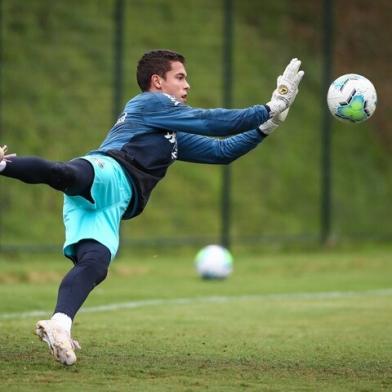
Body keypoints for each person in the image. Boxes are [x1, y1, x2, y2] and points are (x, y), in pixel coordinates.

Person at [0, 49, 304, 365]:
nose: (187, 85)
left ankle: (59, 326)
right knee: (64, 173)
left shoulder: (171, 133)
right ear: (157, 81)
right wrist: (269, 107)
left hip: (112, 205)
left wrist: (268, 125)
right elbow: (209, 121)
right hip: (109, 172)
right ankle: (4, 163)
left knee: (94, 265)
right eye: (180, 77)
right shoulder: (149, 103)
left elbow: (221, 151)